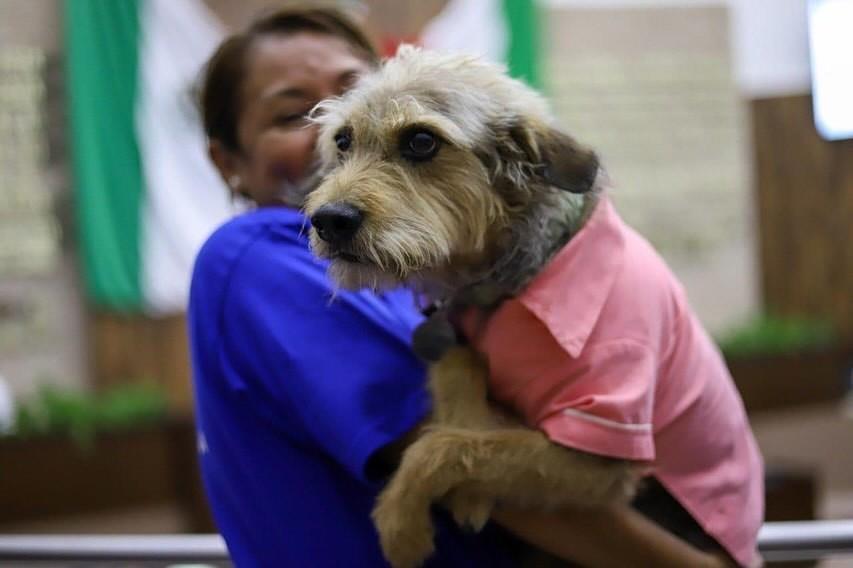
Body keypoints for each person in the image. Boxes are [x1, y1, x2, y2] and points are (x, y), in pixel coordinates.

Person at [188, 6, 519, 567]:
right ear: (228, 163)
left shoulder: (412, 266)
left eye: (359, 95)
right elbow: (478, 466)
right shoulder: (253, 258)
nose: (334, 134)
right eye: (294, 115)